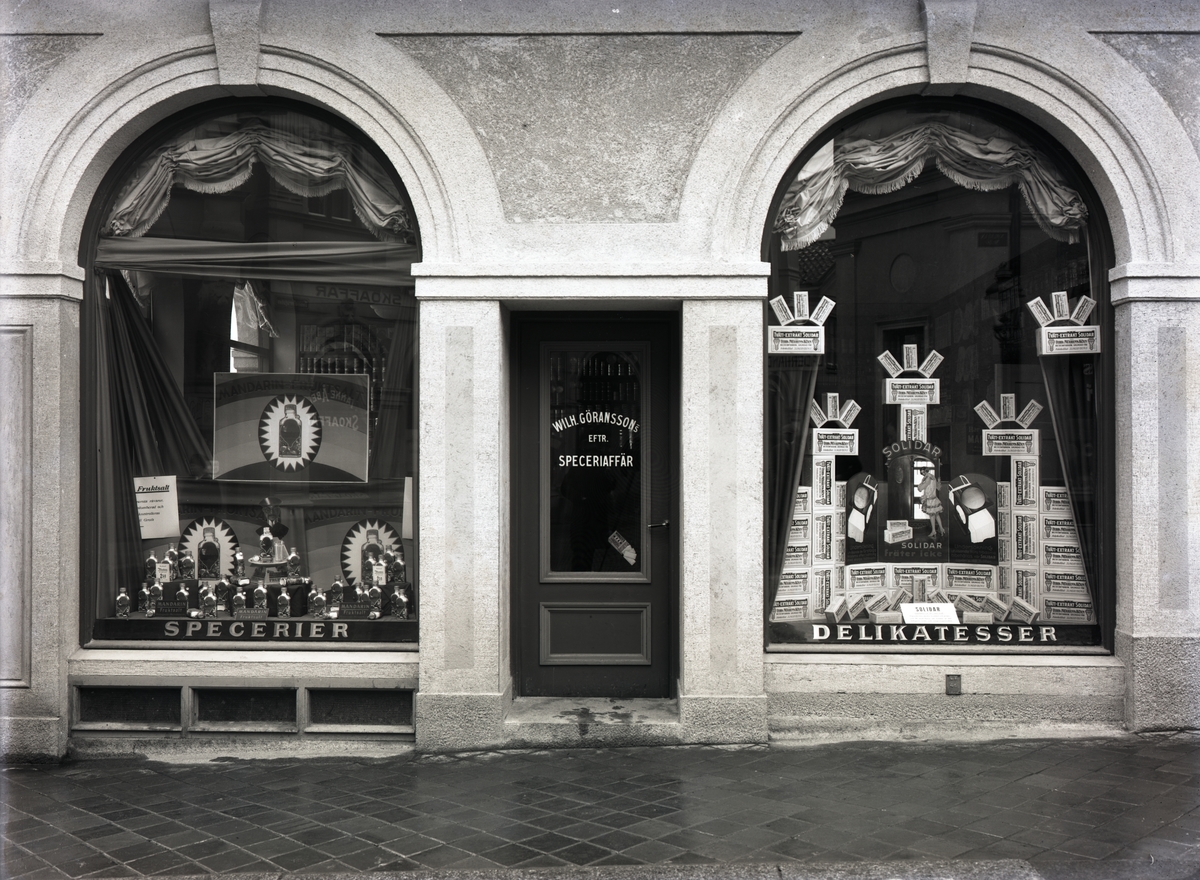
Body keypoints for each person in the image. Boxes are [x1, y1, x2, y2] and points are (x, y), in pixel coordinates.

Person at [919, 469, 945, 539]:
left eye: (923, 472)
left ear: (926, 471)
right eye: (921, 473)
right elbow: (938, 488)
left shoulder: (927, 478)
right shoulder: (933, 477)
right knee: (936, 515)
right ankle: (941, 529)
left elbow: (920, 488)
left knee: (932, 515)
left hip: (930, 499)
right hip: (934, 498)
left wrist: (922, 482)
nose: (923, 474)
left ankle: (934, 531)